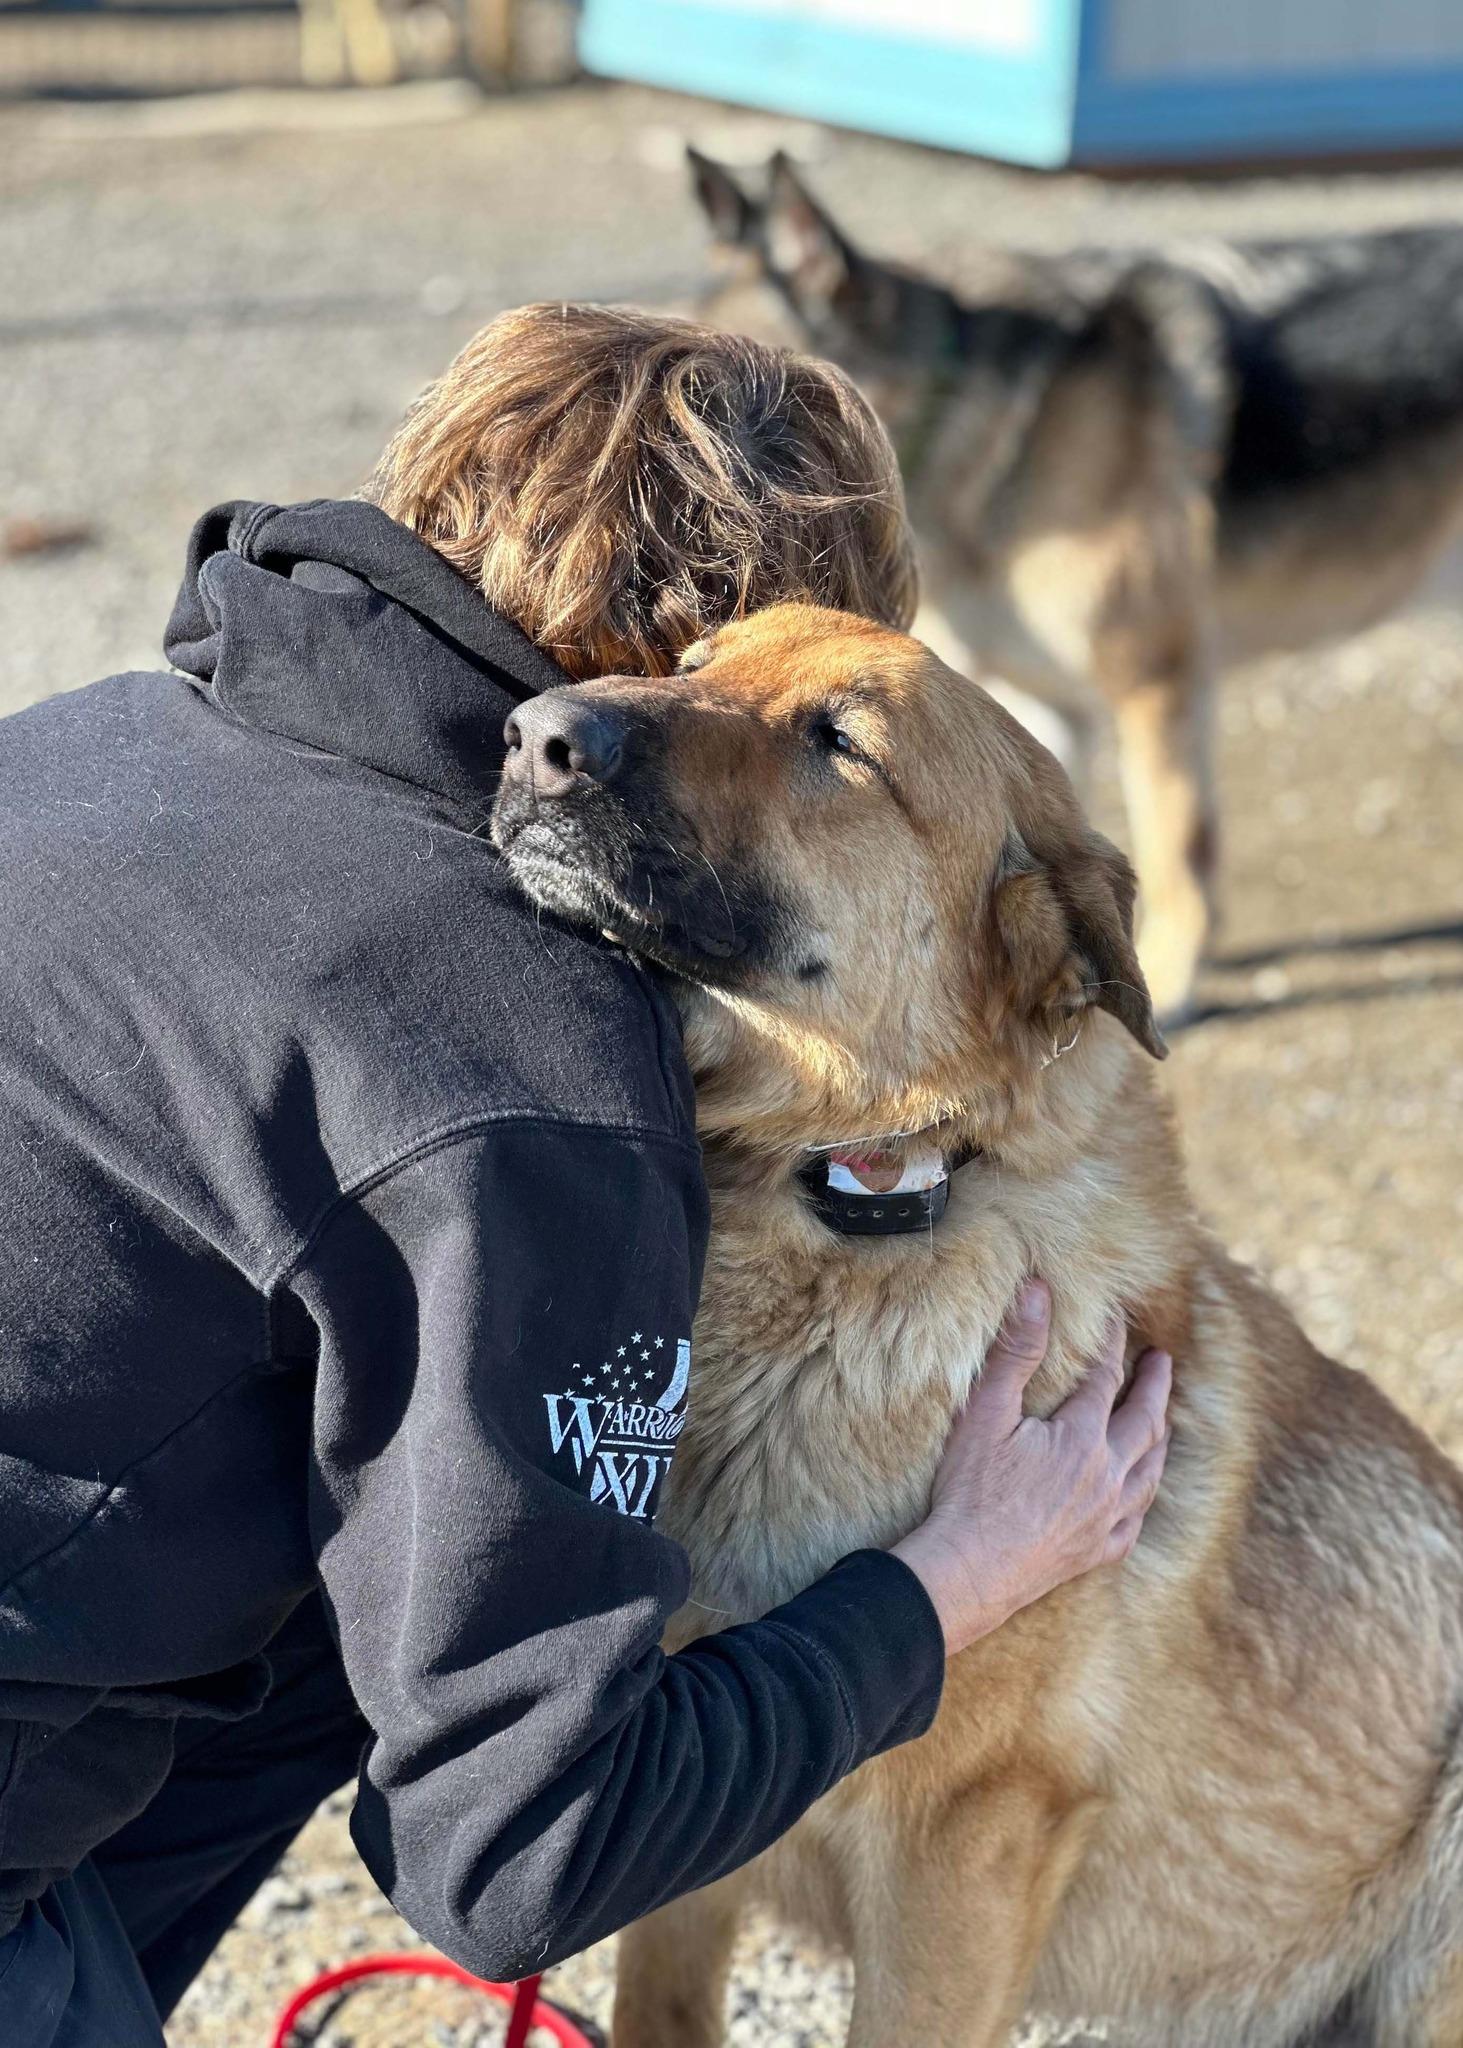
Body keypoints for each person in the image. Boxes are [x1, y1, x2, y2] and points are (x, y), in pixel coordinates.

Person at [0, 304, 1172, 2045]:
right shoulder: (517, 1074)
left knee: (380, 1577)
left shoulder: (90, 741)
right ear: (693, 643)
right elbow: (517, 1861)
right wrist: (941, 1592)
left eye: (819, 722)